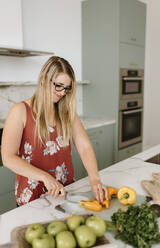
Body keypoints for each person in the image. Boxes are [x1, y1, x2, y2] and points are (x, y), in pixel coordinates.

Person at [1, 56, 108, 206]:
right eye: (59, 86)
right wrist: (45, 177)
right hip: (32, 199)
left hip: (64, 193)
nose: (62, 92)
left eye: (67, 88)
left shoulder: (67, 112)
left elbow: (84, 146)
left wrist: (94, 177)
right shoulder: (20, 111)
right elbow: (8, 158)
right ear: (45, 79)